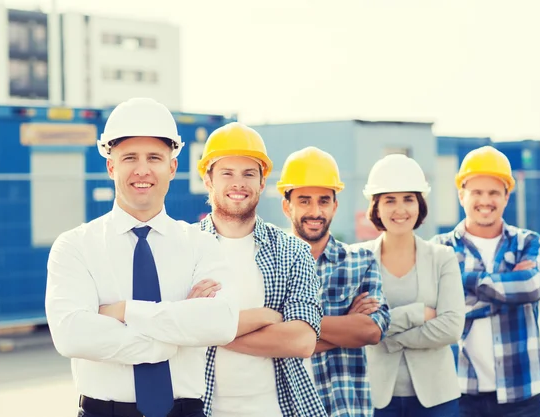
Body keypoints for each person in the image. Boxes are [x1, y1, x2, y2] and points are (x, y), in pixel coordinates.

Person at [45, 98, 240, 417]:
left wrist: (122, 311)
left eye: (154, 157)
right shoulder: (75, 246)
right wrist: (170, 338)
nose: (142, 169)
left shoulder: (201, 245)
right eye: (129, 157)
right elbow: (72, 334)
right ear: (111, 166)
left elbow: (220, 323)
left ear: (172, 167)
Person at [196, 122, 327, 417]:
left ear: (262, 182)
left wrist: (209, 330)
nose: (238, 183)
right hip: (200, 409)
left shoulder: (293, 252)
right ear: (208, 180)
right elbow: (171, 329)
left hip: (276, 409)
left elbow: (303, 340)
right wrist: (263, 319)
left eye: (248, 174)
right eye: (227, 173)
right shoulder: (183, 248)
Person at [432, 146, 540, 417]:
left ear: (507, 196)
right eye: (477, 192)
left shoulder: (529, 242)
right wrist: (508, 290)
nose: (485, 200)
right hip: (458, 394)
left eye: (494, 192)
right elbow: (435, 312)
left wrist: (461, 283)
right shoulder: (439, 249)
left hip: (523, 394)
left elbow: (531, 286)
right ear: (461, 195)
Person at [277, 146, 391, 417]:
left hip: (344, 409)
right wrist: (345, 328)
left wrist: (289, 326)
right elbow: (261, 341)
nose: (315, 211)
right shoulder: (270, 264)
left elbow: (372, 332)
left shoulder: (360, 261)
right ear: (286, 205)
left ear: (335, 205)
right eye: (304, 200)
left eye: (324, 201)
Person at [358, 153, 465, 417]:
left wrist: (384, 337)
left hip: (437, 399)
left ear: (420, 205)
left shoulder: (443, 257)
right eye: (389, 200)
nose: (400, 209)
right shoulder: (357, 259)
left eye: (408, 199)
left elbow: (451, 327)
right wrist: (417, 314)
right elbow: (356, 329)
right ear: (377, 207)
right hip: (376, 398)